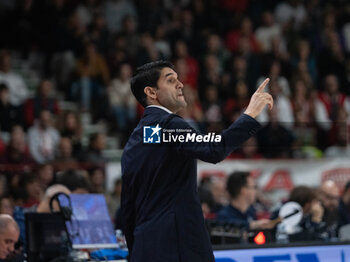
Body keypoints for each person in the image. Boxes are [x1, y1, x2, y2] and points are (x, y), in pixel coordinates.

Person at [121, 61, 273, 261]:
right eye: (171, 80)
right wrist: (250, 114)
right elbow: (213, 149)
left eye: (178, 79)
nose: (181, 84)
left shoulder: (139, 136)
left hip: (145, 246)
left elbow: (128, 207)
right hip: (178, 246)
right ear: (151, 92)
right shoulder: (168, 125)